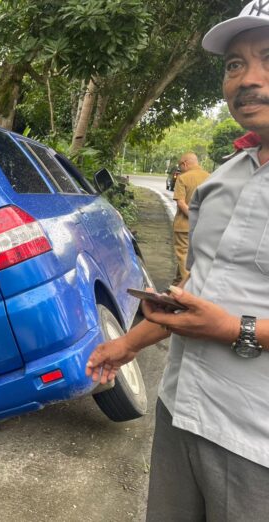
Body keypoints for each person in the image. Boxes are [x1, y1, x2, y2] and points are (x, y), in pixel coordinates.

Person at [86, 2, 269, 520]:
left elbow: (220, 318)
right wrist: (126, 345)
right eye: (234, 64)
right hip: (182, 408)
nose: (248, 79)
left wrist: (234, 329)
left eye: (268, 59)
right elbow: (199, 292)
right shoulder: (223, 178)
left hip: (256, 440)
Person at [171, 152, 209, 285]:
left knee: (183, 256)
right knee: (193, 256)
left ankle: (189, 289)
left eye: (180, 166)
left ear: (185, 164)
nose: (180, 168)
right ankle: (176, 285)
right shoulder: (210, 177)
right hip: (204, 226)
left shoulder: (183, 178)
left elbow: (181, 203)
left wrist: (194, 218)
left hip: (184, 226)